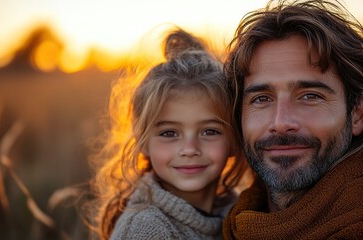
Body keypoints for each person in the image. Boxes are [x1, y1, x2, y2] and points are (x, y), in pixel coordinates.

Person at [222, 0, 363, 239]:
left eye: (310, 96)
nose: (281, 122)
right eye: (261, 99)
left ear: (357, 113)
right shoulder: (227, 226)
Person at [88, 28, 248, 239]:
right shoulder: (146, 230)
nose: (190, 149)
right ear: (143, 140)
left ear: (233, 138)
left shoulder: (236, 213)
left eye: (210, 131)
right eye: (169, 133)